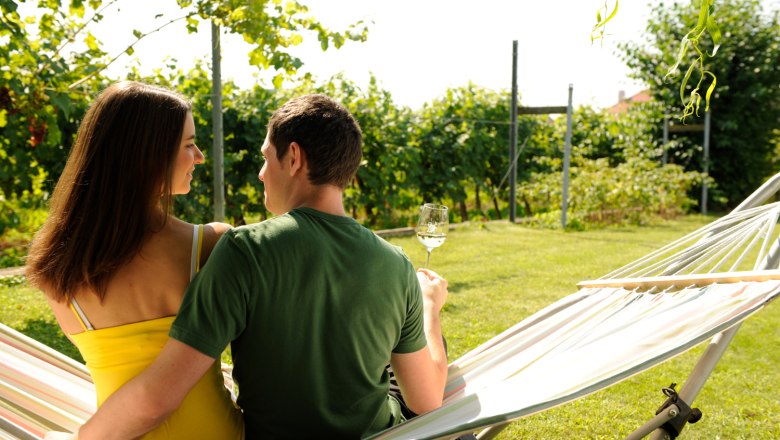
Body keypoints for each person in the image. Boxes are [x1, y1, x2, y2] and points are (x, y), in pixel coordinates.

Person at [72, 93, 450, 439]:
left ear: (294, 157)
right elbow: (428, 400)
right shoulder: (396, 264)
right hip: (377, 432)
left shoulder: (244, 249)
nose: (260, 173)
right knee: (408, 340)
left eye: (266, 157)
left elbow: (163, 391)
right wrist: (429, 306)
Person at [26, 81, 244, 439]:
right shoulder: (210, 245)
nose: (200, 156)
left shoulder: (56, 268)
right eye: (190, 145)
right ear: (148, 155)